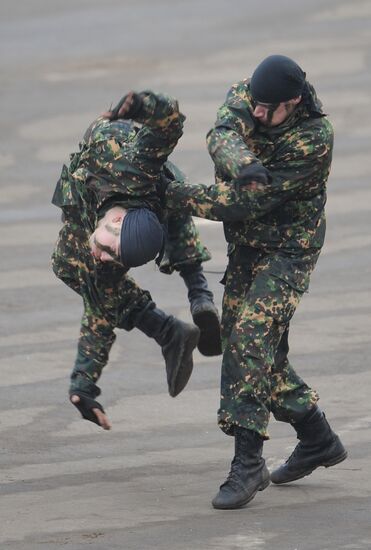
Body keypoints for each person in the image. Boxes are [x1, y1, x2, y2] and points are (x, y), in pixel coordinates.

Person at [162, 55, 347, 509]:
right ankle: (317, 436)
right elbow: (221, 135)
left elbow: (243, 204)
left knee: (247, 342)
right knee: (259, 355)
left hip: (289, 251)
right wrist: (244, 161)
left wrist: (173, 195)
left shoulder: (313, 139)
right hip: (246, 248)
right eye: (257, 107)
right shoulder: (253, 93)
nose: (259, 114)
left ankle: (248, 463)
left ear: (295, 102)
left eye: (269, 110)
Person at [51, 90, 221, 430]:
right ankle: (173, 325)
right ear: (115, 223)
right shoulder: (125, 163)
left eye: (113, 257)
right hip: (137, 178)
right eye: (109, 251)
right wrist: (142, 105)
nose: (101, 256)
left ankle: (189, 307)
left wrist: (82, 383)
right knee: (71, 266)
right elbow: (169, 125)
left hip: (165, 196)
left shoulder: (115, 242)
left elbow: (101, 304)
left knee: (174, 201)